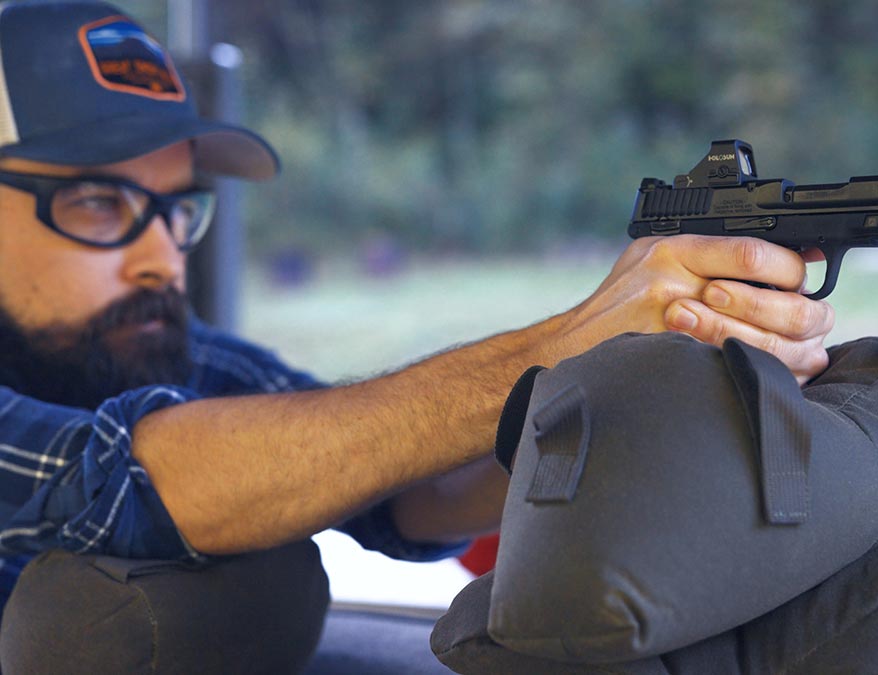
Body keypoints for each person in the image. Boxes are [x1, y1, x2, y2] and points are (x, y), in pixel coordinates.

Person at [0, 0, 834, 671]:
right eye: (97, 203)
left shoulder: (143, 345)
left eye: (176, 208)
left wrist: (625, 377)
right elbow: (122, 477)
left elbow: (401, 483)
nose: (160, 257)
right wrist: (559, 346)